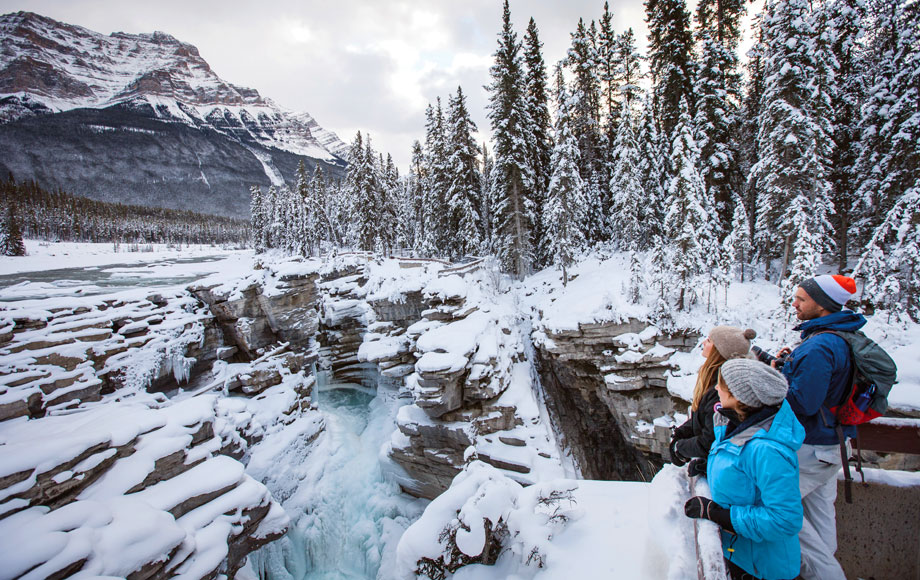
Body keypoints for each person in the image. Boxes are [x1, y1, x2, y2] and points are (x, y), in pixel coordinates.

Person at [772, 274, 864, 580]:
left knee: (774, 508)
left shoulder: (820, 346)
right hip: (832, 446)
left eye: (801, 298)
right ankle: (827, 571)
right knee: (821, 521)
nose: (794, 303)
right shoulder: (834, 337)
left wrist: (776, 381)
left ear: (822, 305)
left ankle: (827, 575)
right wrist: (787, 367)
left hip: (810, 449)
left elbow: (803, 404)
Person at [684, 359, 805, 580]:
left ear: (739, 397)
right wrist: (711, 467)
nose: (716, 388)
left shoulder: (767, 450)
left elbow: (785, 520)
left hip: (764, 568)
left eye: (722, 385)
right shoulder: (735, 426)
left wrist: (719, 515)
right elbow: (743, 476)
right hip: (742, 556)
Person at [670, 326, 757, 476]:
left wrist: (681, 447)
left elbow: (711, 439)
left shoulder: (723, 389)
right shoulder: (714, 378)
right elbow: (703, 416)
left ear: (719, 351)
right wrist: (681, 433)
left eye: (709, 340)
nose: (703, 342)